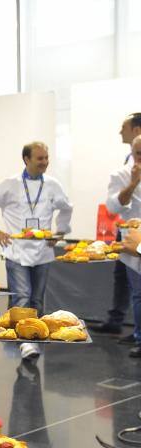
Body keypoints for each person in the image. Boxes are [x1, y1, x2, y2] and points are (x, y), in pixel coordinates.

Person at [0, 141, 73, 359]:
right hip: (16, 251)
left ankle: (33, 334)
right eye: (40, 158)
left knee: (37, 300)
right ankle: (25, 343)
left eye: (46, 158)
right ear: (27, 159)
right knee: (22, 296)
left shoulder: (52, 184)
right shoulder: (10, 183)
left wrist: (59, 232)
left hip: (42, 252)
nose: (44, 162)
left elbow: (66, 207)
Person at [93, 112, 141, 339]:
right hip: (127, 230)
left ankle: (135, 332)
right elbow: (114, 206)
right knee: (124, 277)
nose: (120, 132)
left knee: (136, 286)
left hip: (136, 233)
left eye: (124, 127)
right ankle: (119, 322)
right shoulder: (125, 167)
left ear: (136, 130)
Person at [108, 135, 141, 357]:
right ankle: (140, 336)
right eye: (139, 153)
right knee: (138, 293)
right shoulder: (120, 175)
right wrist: (133, 183)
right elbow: (113, 207)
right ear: (132, 151)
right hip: (133, 245)